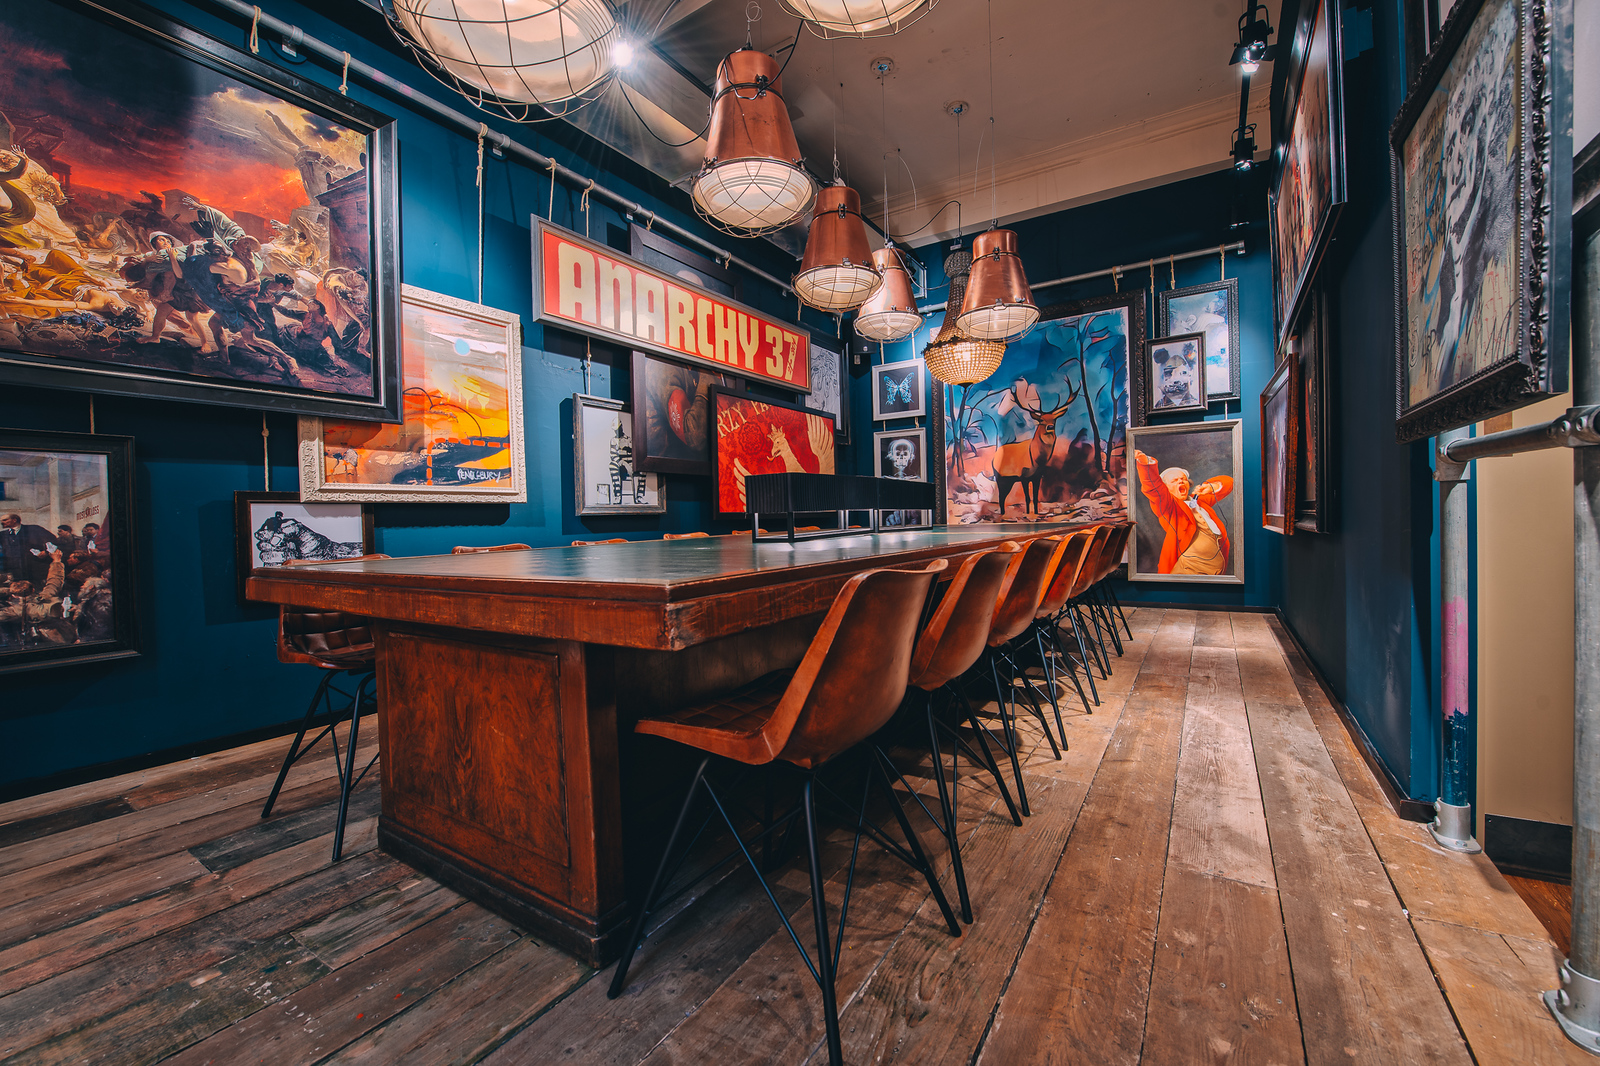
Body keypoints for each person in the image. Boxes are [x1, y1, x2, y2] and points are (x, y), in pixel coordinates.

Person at [1134, 450, 1232, 576]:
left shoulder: (1199, 500)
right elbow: (1153, 488)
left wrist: (1211, 487)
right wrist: (1146, 464)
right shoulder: (1168, 506)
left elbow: (1228, 482)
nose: (1180, 482)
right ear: (1166, 488)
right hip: (1189, 569)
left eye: (1183, 479)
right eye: (1174, 481)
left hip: (1215, 568)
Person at [0, 546, 75, 645]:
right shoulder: (46, 595)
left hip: (47, 640)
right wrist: (57, 561)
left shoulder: (19, 610)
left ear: (14, 596)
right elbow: (54, 580)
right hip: (65, 632)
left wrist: (9, 591)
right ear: (33, 589)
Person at [0, 512, 52, 585]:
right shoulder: (2, 535)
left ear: (14, 520)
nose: (2, 522)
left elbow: (53, 540)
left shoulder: (34, 529)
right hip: (14, 573)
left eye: (5, 520)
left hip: (34, 571)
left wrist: (46, 552)